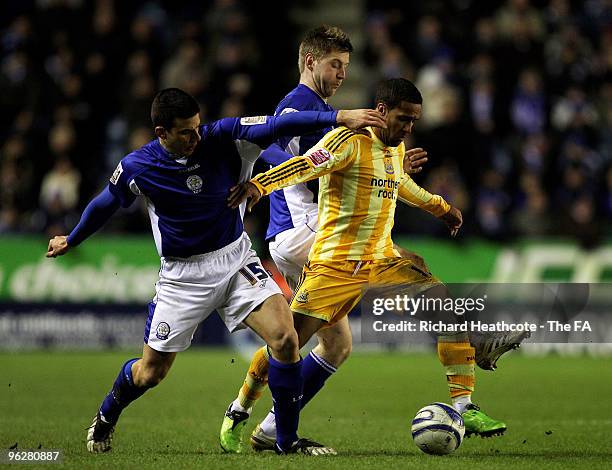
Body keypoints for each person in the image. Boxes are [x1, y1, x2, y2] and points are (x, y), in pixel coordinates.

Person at [220, 29, 525, 454]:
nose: (343, 74)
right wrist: (259, 185)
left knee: (397, 318)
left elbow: (396, 181)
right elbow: (301, 163)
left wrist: (438, 204)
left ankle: (464, 402)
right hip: (321, 247)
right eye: (335, 65)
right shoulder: (324, 120)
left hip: (356, 248)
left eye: (346, 66)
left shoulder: (381, 140)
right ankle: (240, 410)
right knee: (288, 340)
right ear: (310, 62)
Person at [46, 87, 386, 455]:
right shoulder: (138, 167)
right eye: (185, 132)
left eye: (197, 127)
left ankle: (286, 441)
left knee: (286, 339)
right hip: (182, 278)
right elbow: (105, 203)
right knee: (151, 372)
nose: (196, 137)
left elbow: (277, 125)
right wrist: (72, 238)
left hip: (235, 259)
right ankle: (107, 414)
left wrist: (338, 117)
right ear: (161, 133)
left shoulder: (222, 136)